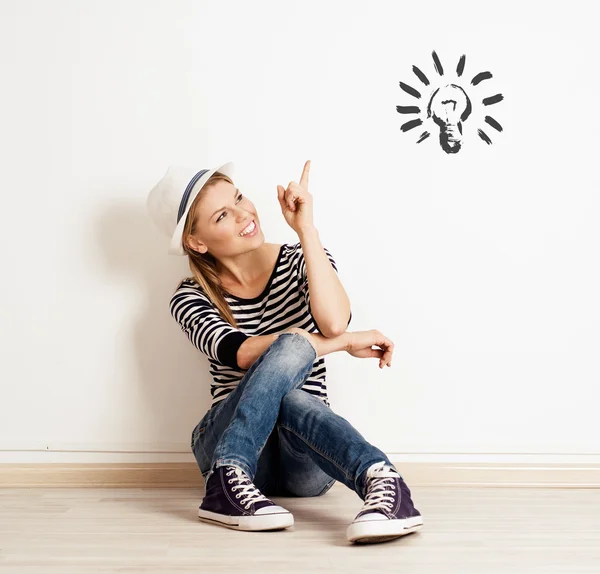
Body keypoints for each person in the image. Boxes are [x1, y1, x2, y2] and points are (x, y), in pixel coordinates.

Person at [146, 160, 423, 544]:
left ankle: (382, 485)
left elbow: (334, 322)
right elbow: (241, 353)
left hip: (306, 457)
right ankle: (233, 474)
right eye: (224, 215)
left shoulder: (299, 261)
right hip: (224, 440)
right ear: (196, 242)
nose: (245, 214)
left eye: (239, 198)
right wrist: (341, 344)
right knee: (291, 345)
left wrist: (306, 229)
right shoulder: (190, 296)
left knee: (290, 396)